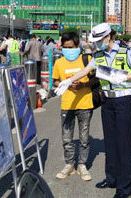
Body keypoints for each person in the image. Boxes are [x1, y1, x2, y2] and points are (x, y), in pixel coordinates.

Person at [55, 23, 131, 198]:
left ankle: (124, 188)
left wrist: (124, 76)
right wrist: (67, 81)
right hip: (107, 101)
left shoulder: (125, 52)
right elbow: (86, 70)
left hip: (123, 100)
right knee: (110, 142)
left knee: (123, 144)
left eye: (99, 40)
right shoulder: (99, 55)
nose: (97, 43)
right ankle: (111, 179)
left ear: (108, 37)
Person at [52, 32, 94, 182]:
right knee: (67, 138)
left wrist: (83, 84)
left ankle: (82, 165)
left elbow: (96, 80)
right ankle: (69, 165)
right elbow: (55, 81)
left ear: (78, 46)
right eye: (66, 47)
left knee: (84, 138)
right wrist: (65, 85)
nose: (69, 50)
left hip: (85, 103)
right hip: (67, 104)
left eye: (72, 47)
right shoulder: (59, 63)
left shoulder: (87, 60)